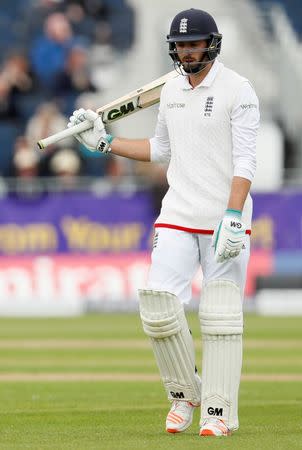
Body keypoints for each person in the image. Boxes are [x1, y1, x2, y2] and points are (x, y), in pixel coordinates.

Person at [67, 8, 260, 437]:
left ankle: (218, 411)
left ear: (212, 44)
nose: (188, 51)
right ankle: (185, 394)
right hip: (177, 212)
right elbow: (160, 148)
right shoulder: (171, 89)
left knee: (221, 314)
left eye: (194, 44)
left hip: (224, 218)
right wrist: (106, 142)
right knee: (156, 306)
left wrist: (233, 215)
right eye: (181, 45)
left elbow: (247, 158)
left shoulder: (239, 90)